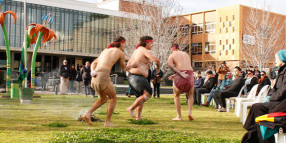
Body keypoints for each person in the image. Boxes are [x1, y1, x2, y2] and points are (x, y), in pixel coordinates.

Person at [83, 36, 135, 126]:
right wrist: (133, 65)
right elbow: (124, 68)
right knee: (113, 98)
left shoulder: (105, 50)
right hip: (103, 75)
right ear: (121, 43)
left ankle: (88, 114)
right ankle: (107, 122)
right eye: (124, 44)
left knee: (103, 99)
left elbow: (93, 63)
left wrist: (92, 71)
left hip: (95, 76)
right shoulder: (120, 52)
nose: (125, 46)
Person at [242, 50, 286, 143]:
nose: (275, 60)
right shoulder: (282, 70)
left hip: (282, 104)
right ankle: (253, 136)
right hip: (277, 102)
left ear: (283, 58)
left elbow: (283, 92)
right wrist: (270, 96)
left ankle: (252, 135)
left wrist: (270, 98)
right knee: (257, 108)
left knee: (257, 108)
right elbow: (274, 89)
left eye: (276, 58)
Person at [126, 36, 160, 120]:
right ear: (147, 43)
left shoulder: (136, 51)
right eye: (151, 43)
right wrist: (158, 68)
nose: (152, 45)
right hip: (137, 77)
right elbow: (156, 60)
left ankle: (138, 117)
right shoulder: (143, 50)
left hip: (132, 76)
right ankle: (131, 108)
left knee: (141, 97)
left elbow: (129, 63)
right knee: (148, 94)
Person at [168, 44, 194, 121]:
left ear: (172, 49)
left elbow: (170, 66)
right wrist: (175, 75)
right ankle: (189, 113)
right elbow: (185, 67)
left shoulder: (172, 55)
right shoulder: (186, 54)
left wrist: (179, 74)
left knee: (176, 95)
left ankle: (179, 116)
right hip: (190, 74)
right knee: (190, 95)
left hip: (180, 74)